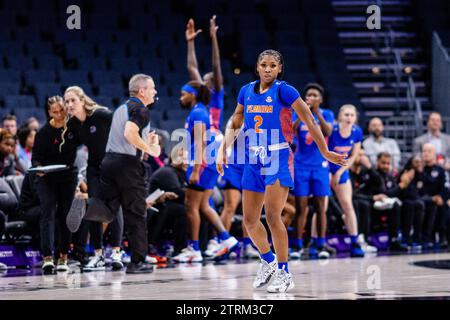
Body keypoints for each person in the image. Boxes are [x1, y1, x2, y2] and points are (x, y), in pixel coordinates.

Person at [216, 50, 345, 293]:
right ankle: (268, 260)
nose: (267, 69)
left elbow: (309, 119)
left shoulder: (285, 90)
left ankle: (285, 272)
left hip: (278, 155)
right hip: (253, 156)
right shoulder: (246, 91)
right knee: (250, 221)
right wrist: (224, 149)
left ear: (279, 69)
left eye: (272, 65)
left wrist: (325, 151)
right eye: (263, 64)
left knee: (273, 216)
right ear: (256, 67)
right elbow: (235, 120)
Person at [81, 74, 161, 274]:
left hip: (108, 163)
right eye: (152, 88)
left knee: (110, 207)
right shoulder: (141, 109)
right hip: (127, 166)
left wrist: (146, 144)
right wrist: (149, 149)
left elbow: (125, 137)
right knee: (136, 214)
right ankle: (137, 262)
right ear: (141, 91)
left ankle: (90, 207)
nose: (155, 92)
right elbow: (129, 133)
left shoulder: (120, 109)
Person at [172, 80, 238, 263]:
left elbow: (201, 141)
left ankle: (194, 248)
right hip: (208, 165)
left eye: (183, 94)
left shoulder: (199, 112)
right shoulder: (201, 111)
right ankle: (226, 238)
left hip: (202, 165)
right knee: (203, 205)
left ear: (192, 94)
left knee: (190, 206)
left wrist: (195, 170)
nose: (181, 98)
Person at [63, 86, 125, 271]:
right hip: (94, 168)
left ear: (82, 100)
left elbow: (125, 124)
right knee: (94, 207)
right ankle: (98, 255)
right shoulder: (73, 124)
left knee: (114, 207)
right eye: (66, 101)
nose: (69, 104)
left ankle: (116, 252)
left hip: (112, 163)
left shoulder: (101, 114)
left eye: (73, 100)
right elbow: (66, 148)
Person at [32, 96, 80, 273]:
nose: (59, 114)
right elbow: (36, 158)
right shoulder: (43, 132)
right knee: (48, 212)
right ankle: (47, 256)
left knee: (65, 216)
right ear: (49, 112)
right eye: (55, 112)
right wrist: (38, 168)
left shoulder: (73, 128)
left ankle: (63, 257)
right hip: (47, 177)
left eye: (61, 110)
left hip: (67, 175)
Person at [291, 83, 334, 260]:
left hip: (320, 166)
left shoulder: (327, 114)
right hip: (301, 165)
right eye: (308, 95)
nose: (311, 97)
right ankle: (298, 245)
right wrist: (304, 112)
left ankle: (321, 243)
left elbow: (328, 131)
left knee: (320, 207)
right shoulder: (297, 113)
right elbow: (291, 130)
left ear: (321, 99)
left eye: (315, 95)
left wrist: (316, 112)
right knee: (301, 207)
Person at [328, 104, 366, 257]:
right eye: (346, 115)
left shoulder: (357, 132)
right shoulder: (332, 129)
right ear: (340, 116)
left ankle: (354, 241)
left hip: (342, 170)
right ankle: (317, 242)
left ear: (355, 118)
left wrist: (340, 172)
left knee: (348, 206)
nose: (349, 118)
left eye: (352, 115)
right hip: (326, 168)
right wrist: (330, 172)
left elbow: (354, 156)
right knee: (322, 206)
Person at [147, 145, 188, 257]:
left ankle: (200, 246)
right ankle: (180, 249)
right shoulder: (167, 172)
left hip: (163, 205)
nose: (186, 161)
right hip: (152, 205)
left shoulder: (182, 173)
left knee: (197, 209)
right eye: (182, 157)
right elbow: (180, 194)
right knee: (182, 210)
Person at [186, 16, 224, 132]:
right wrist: (190, 42)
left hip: (214, 139)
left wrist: (214, 38)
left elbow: (216, 65)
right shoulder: (202, 95)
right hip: (200, 138)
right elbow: (192, 67)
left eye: (205, 81)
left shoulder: (217, 94)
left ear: (214, 84)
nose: (202, 83)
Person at [371, 152, 408, 251]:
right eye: (383, 163)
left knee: (407, 204)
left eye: (388, 163)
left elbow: (393, 193)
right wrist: (400, 186)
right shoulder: (374, 175)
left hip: (385, 203)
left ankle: (406, 238)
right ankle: (393, 240)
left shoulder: (389, 176)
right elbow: (384, 194)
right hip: (374, 204)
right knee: (394, 206)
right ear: (377, 162)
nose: (386, 166)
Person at [420, 143, 447, 249]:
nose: (426, 153)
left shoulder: (440, 170)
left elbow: (444, 187)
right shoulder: (419, 169)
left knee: (442, 205)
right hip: (423, 199)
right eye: (424, 151)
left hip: (437, 199)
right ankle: (427, 237)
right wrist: (431, 198)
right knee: (430, 204)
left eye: (429, 151)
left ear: (434, 154)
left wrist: (440, 196)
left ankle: (442, 237)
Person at [398, 155, 426, 250]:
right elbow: (403, 191)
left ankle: (417, 236)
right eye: (416, 162)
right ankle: (406, 236)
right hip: (404, 199)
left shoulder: (421, 174)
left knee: (420, 204)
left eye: (420, 162)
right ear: (411, 163)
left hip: (416, 199)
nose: (419, 164)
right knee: (410, 204)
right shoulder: (405, 172)